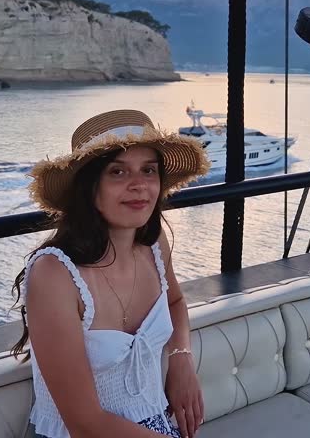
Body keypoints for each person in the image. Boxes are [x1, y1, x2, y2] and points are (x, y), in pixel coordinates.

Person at [11, 110, 211, 438]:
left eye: (149, 170)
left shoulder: (153, 245)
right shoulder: (55, 274)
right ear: (90, 188)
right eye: (117, 171)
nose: (139, 186)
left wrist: (181, 359)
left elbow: (175, 302)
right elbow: (86, 424)